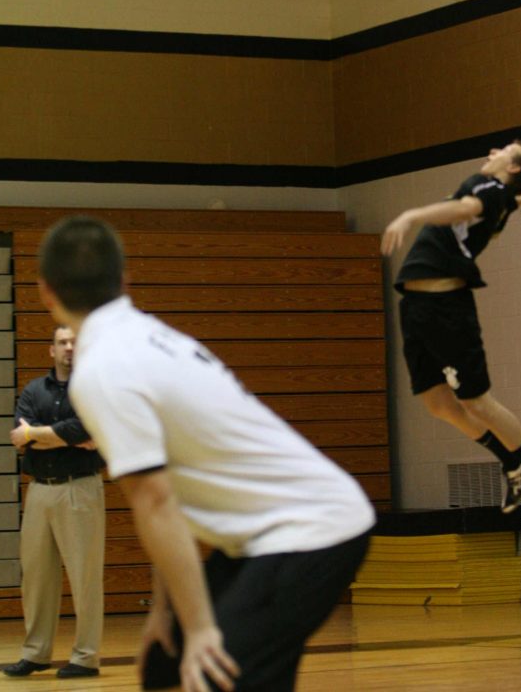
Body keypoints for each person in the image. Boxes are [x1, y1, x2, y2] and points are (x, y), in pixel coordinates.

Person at [36, 216, 375, 692]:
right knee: (166, 666)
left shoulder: (104, 370)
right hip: (270, 535)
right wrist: (167, 614)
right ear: (124, 280)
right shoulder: (146, 336)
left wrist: (199, 629)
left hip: (313, 531)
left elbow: (154, 503)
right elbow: (164, 499)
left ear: (45, 293)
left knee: (213, 673)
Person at [381, 141, 521, 535]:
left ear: (516, 167)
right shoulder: (499, 194)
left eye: (505, 149)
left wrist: (411, 215)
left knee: (476, 402)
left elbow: (467, 209)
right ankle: (512, 464)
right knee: (437, 403)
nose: (493, 150)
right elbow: (503, 201)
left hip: (447, 307)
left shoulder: (486, 189)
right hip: (416, 307)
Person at [3, 327, 105, 679]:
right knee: (36, 576)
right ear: (51, 350)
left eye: (75, 342)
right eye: (62, 342)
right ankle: (36, 653)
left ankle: (86, 657)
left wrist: (40, 433)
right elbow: (21, 437)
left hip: (79, 489)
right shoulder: (33, 390)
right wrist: (62, 436)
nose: (69, 347)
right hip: (39, 491)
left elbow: (86, 430)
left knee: (84, 577)